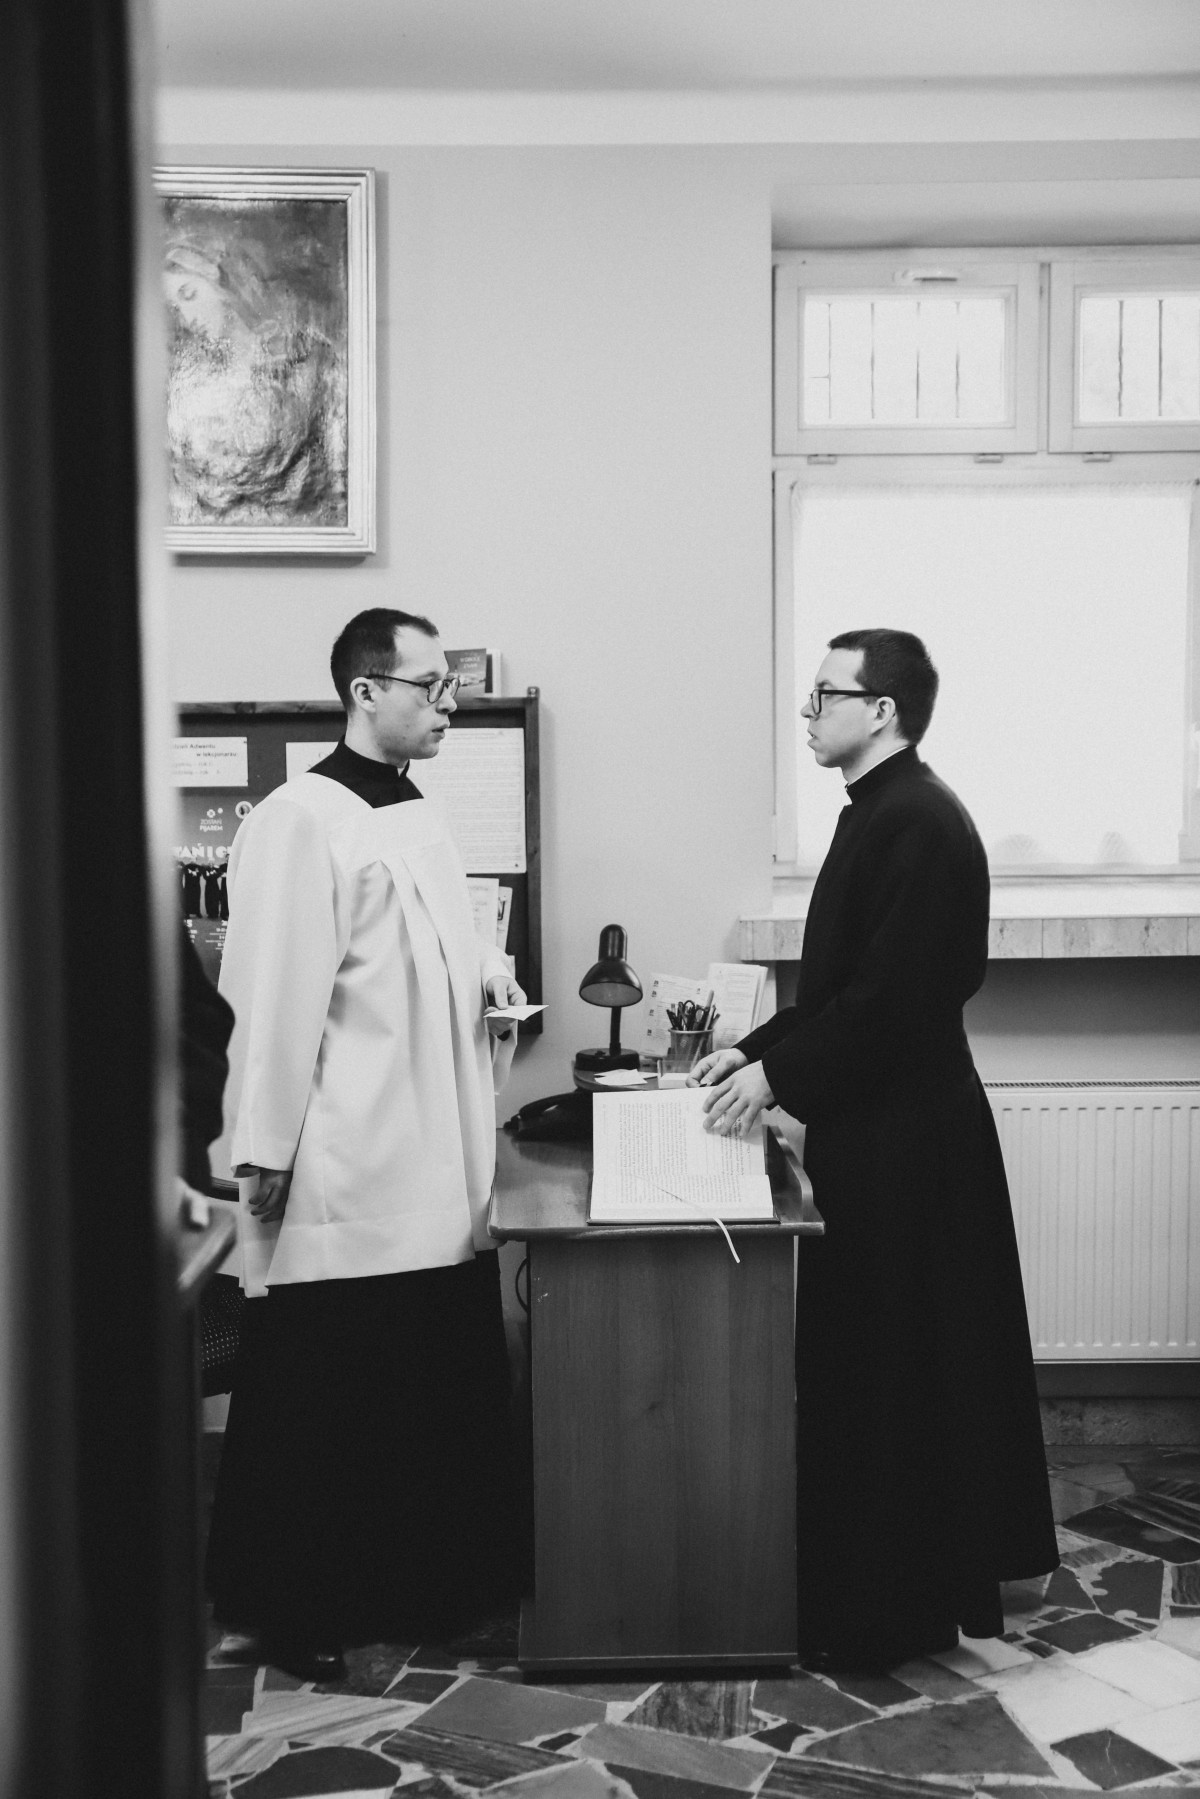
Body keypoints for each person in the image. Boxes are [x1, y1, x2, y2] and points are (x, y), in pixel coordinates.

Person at [690, 628, 1058, 1674]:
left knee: (899, 1372)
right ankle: (863, 1593)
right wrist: (752, 1050)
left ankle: (889, 1609)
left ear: (881, 709)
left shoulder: (920, 820)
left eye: (825, 695)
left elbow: (894, 1002)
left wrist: (776, 1079)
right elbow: (843, 988)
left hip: (913, 1142)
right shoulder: (878, 810)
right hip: (880, 1127)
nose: (808, 713)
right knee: (867, 1364)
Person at [205, 607, 525, 1681]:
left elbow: (447, 943)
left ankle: (420, 1585)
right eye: (430, 686)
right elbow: (270, 993)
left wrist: (492, 977)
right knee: (325, 1388)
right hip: (346, 1153)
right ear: (365, 691)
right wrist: (262, 1146)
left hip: (433, 1142)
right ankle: (294, 1603)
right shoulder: (299, 818)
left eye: (450, 687)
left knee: (422, 1376)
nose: (449, 705)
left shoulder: (414, 809)